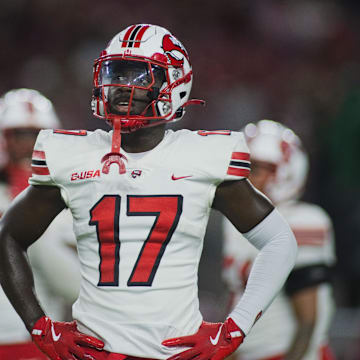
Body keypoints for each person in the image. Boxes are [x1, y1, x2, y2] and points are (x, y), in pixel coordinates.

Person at [0, 24, 297, 360]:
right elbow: (8, 236)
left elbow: (280, 241)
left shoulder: (202, 157)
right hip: (96, 353)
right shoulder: (72, 155)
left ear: (175, 85)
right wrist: (39, 326)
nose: (121, 86)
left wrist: (236, 327)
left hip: (174, 352)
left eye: (140, 77)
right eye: (117, 72)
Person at [222, 120, 336, 360]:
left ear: (285, 171)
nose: (244, 177)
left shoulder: (301, 220)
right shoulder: (235, 221)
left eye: (254, 169)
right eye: (241, 167)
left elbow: (308, 321)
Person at [0, 89, 80, 360]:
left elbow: (72, 287)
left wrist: (33, 229)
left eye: (37, 135)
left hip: (37, 340)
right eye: (19, 135)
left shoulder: (72, 199)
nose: (28, 145)